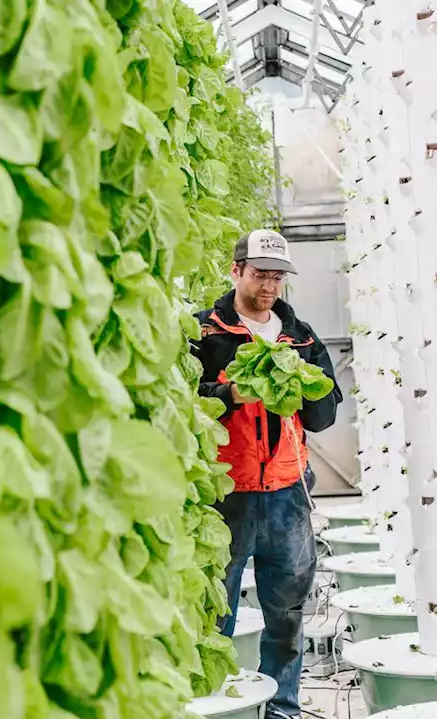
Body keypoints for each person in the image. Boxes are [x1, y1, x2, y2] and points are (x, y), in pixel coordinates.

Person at [190, 229, 343, 719]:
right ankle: (218, 706)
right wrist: (228, 394)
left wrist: (303, 383)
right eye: (260, 275)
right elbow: (184, 404)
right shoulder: (204, 333)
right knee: (216, 610)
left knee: (288, 611)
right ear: (236, 272)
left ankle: (283, 707)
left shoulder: (300, 337)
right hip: (225, 492)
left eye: (277, 276)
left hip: (287, 492)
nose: (269, 286)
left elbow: (325, 415)